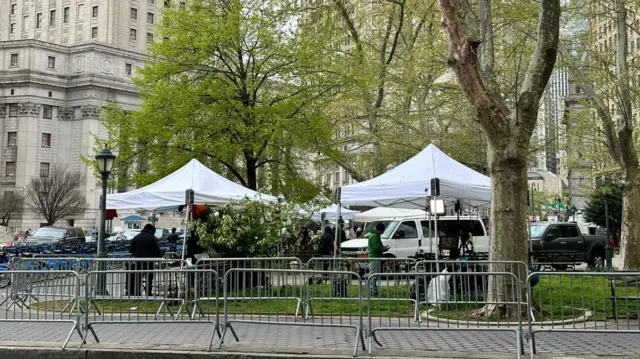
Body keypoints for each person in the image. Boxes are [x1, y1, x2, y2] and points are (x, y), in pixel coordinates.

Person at [129, 224, 162, 296]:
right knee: (149, 278)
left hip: (138, 261)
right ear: (152, 230)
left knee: (138, 278)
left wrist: (137, 256)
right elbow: (156, 250)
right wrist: (158, 258)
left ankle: (137, 293)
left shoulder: (136, 237)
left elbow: (132, 250)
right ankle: (148, 293)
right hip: (149, 261)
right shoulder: (152, 238)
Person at [368, 222, 386, 295]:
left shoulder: (376, 235)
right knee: (373, 274)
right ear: (379, 230)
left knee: (374, 274)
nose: (383, 232)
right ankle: (372, 289)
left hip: (376, 256)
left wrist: (383, 248)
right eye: (382, 231)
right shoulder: (374, 236)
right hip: (374, 257)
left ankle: (373, 288)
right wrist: (383, 249)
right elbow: (375, 248)